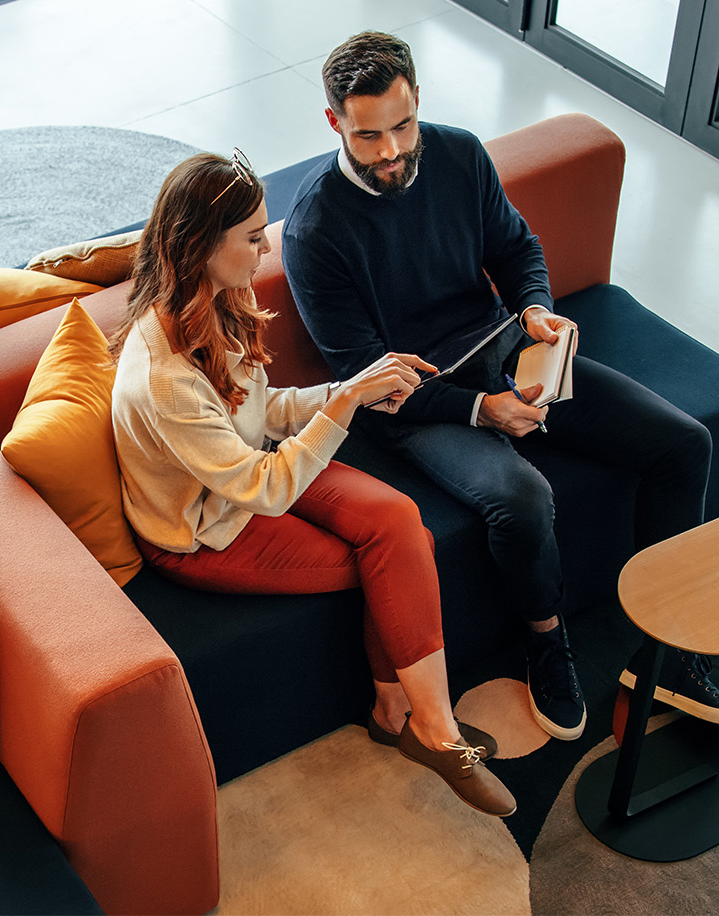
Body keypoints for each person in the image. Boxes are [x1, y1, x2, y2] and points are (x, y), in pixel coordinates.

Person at [282, 31, 719, 742]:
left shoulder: (460, 154)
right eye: (369, 135)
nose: (391, 152)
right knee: (522, 498)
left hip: (503, 351)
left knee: (683, 443)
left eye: (403, 126)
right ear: (334, 124)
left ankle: (670, 654)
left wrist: (533, 304)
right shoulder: (316, 230)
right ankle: (546, 644)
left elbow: (515, 246)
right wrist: (481, 411)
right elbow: (367, 379)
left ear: (419, 103)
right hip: (413, 404)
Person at [110, 150, 515, 817]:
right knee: (386, 560)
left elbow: (260, 412)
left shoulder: (218, 299)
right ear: (202, 246)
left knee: (399, 522)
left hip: (252, 468)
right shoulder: (164, 378)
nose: (265, 248)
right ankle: (433, 733)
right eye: (250, 237)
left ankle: (400, 715)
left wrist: (351, 388)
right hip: (202, 532)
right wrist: (343, 407)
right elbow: (264, 489)